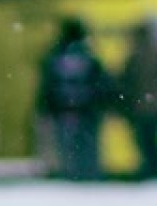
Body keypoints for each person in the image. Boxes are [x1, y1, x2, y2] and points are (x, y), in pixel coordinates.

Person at [35, 16, 113, 183]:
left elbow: (48, 85)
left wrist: (45, 107)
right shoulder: (89, 56)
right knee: (89, 148)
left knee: (67, 148)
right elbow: (101, 83)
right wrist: (105, 103)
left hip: (63, 110)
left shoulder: (55, 57)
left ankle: (71, 176)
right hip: (88, 109)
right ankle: (90, 175)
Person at [118, 17, 157, 180]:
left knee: (145, 140)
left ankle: (151, 169)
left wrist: (126, 106)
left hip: (140, 106)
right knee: (154, 139)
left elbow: (127, 84)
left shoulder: (133, 57)